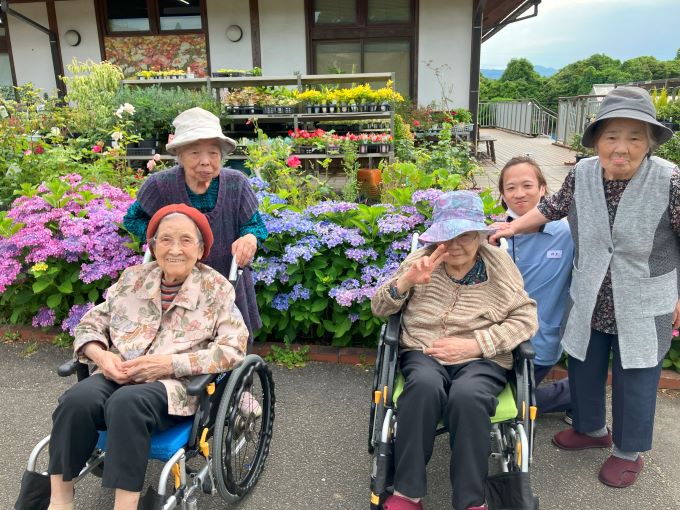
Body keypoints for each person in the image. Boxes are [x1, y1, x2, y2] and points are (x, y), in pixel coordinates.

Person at [490, 87, 679, 488]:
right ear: (596, 140)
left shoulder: (671, 180)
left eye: (635, 137)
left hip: (645, 301)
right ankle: (591, 430)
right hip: (592, 295)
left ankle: (628, 452)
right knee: (585, 367)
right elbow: (552, 207)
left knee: (636, 376)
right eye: (612, 136)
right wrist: (510, 227)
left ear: (650, 142)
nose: (621, 148)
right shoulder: (583, 173)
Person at [47, 204, 249, 510]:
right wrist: (101, 357)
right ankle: (60, 501)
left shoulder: (216, 290)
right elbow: (91, 322)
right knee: (75, 400)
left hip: (173, 386)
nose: (175, 249)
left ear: (201, 249)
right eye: (165, 240)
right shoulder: (133, 279)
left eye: (185, 240)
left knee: (127, 404)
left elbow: (234, 348)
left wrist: (168, 364)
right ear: (152, 246)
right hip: (118, 371)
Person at [371, 191, 538, 510]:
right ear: (437, 237)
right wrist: (406, 281)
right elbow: (379, 307)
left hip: (482, 357)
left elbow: (526, 317)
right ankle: (407, 493)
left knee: (468, 397)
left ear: (479, 235)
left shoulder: (498, 264)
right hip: (424, 353)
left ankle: (471, 501)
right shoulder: (420, 260)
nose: (457, 244)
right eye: (449, 235)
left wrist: (477, 344)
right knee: (423, 388)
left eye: (466, 235)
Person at [123, 107, 267, 342]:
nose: (205, 162)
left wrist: (250, 237)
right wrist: (160, 241)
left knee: (231, 343)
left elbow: (254, 224)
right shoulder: (161, 185)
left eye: (213, 152)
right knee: (177, 343)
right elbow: (133, 219)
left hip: (227, 279)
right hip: (174, 281)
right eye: (194, 153)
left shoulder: (236, 183)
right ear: (179, 154)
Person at [497, 156, 573, 420]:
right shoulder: (492, 236)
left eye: (527, 185)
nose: (519, 194)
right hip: (498, 340)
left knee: (510, 407)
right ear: (503, 196)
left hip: (540, 341)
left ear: (543, 189)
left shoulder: (568, 233)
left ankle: (576, 393)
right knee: (481, 395)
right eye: (510, 188)